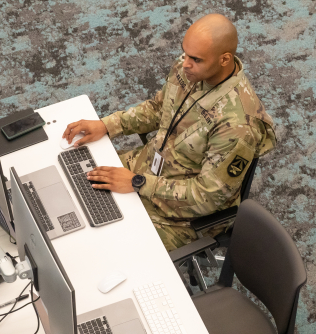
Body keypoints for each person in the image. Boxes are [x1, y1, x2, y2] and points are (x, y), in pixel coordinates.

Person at [63, 14, 277, 252]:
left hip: (181, 215)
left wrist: (137, 183)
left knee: (107, 248)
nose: (185, 63)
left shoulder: (239, 125)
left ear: (224, 59)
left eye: (195, 59)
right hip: (148, 167)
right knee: (73, 180)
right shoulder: (189, 68)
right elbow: (158, 108)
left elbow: (207, 196)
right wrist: (108, 125)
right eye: (184, 52)